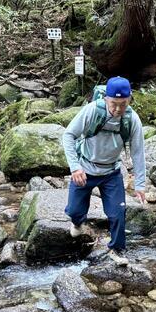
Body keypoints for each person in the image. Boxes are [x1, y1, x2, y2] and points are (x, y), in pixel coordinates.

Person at [61, 76, 146, 265]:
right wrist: (75, 167)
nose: (117, 109)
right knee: (75, 211)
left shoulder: (132, 119)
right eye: (114, 104)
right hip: (85, 169)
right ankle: (77, 221)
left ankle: (116, 250)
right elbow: (68, 135)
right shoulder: (92, 111)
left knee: (118, 214)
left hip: (111, 173)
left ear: (129, 100)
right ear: (106, 99)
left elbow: (138, 152)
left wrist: (140, 184)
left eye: (123, 104)